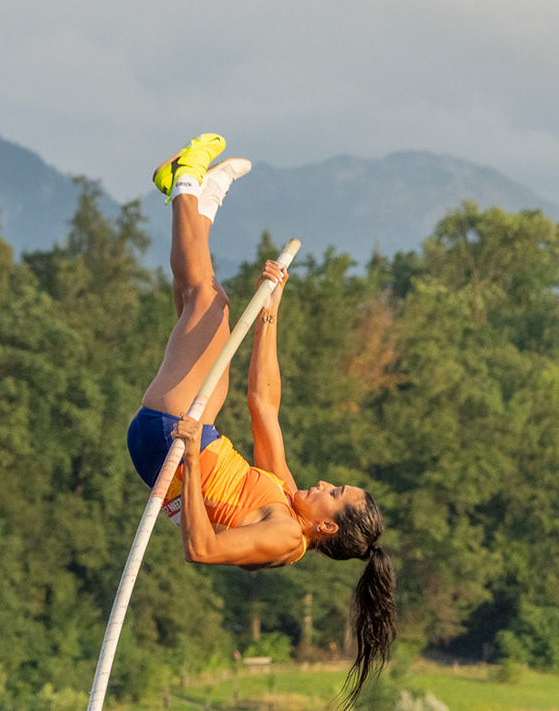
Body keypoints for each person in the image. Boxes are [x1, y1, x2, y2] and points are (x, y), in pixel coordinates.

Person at [128, 133, 397, 704]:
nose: (323, 483)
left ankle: (190, 183)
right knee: (195, 299)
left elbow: (202, 549)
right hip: (190, 441)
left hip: (173, 445)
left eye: (334, 494)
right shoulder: (285, 497)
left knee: (211, 303)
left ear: (328, 527)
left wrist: (191, 463)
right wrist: (270, 314)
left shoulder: (283, 536)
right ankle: (192, 193)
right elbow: (263, 405)